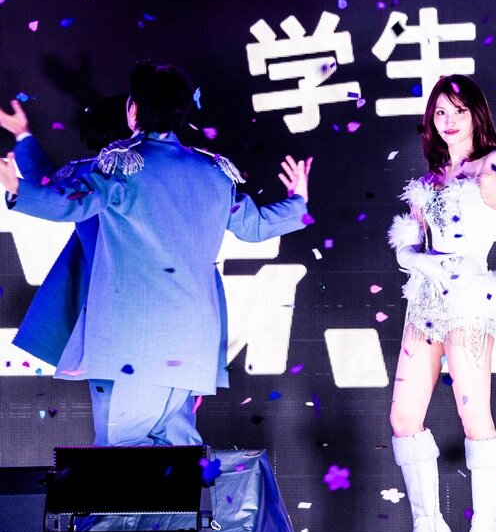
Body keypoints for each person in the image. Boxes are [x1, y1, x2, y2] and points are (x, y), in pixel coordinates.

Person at [0, 61, 312, 448]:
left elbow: (68, 200)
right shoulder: (214, 172)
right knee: (179, 455)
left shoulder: (119, 167)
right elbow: (256, 226)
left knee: (123, 456)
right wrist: (298, 203)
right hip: (194, 342)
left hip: (132, 341)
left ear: (134, 109)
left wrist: (19, 190)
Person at [387, 75, 496, 532]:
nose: (448, 120)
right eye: (440, 112)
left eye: (458, 110)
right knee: (404, 416)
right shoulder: (427, 181)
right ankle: (429, 527)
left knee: (473, 414)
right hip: (425, 301)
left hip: (469, 298)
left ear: (475, 115)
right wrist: (419, 260)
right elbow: (406, 243)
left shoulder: (495, 163)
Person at [1, 96, 128, 367]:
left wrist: (22, 138)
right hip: (124, 306)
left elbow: (49, 189)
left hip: (113, 308)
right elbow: (50, 189)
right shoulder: (97, 172)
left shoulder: (93, 173)